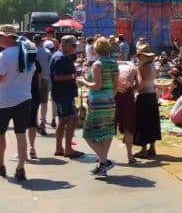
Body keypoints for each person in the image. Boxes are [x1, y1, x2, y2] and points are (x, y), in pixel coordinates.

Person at [0, 25, 36, 181]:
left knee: (0, 134)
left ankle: (0, 165)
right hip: (24, 98)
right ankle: (21, 167)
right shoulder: (27, 53)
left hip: (4, 100)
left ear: (8, 37)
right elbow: (33, 72)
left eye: (1, 36)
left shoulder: (5, 55)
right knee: (21, 133)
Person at [76, 38, 120, 176]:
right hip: (110, 100)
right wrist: (110, 96)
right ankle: (103, 164)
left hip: (97, 101)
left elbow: (96, 85)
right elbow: (115, 85)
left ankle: (105, 160)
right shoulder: (114, 64)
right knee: (106, 132)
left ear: (96, 50)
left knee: (89, 133)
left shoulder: (97, 64)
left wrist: (83, 81)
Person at [50, 36, 84, 159]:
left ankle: (60, 148)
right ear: (65, 45)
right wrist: (73, 76)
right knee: (71, 119)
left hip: (62, 93)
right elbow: (58, 76)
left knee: (63, 120)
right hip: (64, 93)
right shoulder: (61, 57)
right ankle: (67, 149)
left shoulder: (60, 56)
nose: (75, 48)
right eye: (73, 45)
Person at [134, 45, 161, 159]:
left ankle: (144, 150)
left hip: (144, 95)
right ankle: (152, 148)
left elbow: (141, 84)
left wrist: (133, 89)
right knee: (152, 122)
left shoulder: (144, 67)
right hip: (152, 95)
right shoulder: (152, 66)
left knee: (143, 123)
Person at [114, 60, 138, 164]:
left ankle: (103, 156)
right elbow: (140, 83)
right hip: (127, 95)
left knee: (110, 126)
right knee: (128, 127)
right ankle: (130, 155)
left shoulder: (111, 65)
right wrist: (133, 90)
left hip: (113, 94)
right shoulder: (133, 67)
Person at [31, 35, 52, 136]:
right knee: (44, 102)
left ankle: (34, 123)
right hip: (45, 78)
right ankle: (42, 122)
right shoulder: (47, 52)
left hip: (33, 79)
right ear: (41, 41)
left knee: (34, 103)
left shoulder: (30, 51)